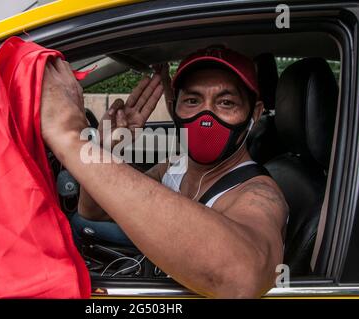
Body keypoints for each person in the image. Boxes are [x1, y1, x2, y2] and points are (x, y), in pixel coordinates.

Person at [40, 46, 289, 298]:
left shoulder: (260, 194)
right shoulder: (174, 166)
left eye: (226, 102)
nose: (206, 115)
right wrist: (105, 150)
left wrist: (73, 143)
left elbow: (240, 279)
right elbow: (95, 211)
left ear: (254, 114)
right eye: (192, 101)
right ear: (174, 107)